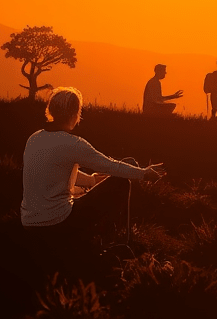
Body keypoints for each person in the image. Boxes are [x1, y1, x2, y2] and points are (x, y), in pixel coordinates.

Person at [21, 87, 164, 272]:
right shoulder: (72, 143)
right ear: (75, 113)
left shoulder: (34, 138)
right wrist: (145, 173)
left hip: (30, 223)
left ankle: (99, 240)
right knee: (121, 181)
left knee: (126, 165)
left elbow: (54, 172)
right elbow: (110, 166)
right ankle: (114, 242)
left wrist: (91, 181)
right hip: (57, 222)